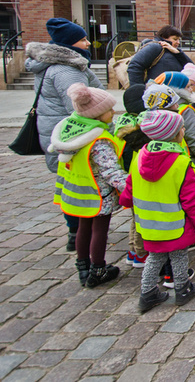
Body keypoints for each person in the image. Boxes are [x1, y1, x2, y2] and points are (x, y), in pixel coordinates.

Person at [25, 18, 104, 251]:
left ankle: (75, 232)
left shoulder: (53, 66)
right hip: (74, 136)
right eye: (82, 39)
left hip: (57, 131)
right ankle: (78, 233)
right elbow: (80, 108)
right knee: (77, 184)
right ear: (69, 44)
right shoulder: (67, 70)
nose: (88, 43)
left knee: (67, 183)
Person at [120, 110, 195, 312]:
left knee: (155, 256)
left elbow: (130, 186)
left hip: (148, 222)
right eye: (181, 128)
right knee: (178, 256)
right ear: (176, 134)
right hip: (174, 223)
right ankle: (182, 288)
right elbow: (190, 197)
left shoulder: (140, 156)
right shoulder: (181, 162)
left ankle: (147, 293)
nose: (184, 130)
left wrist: (125, 200)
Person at [49, 83, 127, 288]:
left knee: (83, 228)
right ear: (96, 114)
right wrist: (130, 186)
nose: (113, 112)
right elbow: (111, 172)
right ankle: (98, 269)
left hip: (77, 192)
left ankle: (82, 267)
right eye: (109, 109)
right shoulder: (98, 141)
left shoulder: (72, 131)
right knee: (100, 230)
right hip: (97, 193)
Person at [113, 84, 151, 269]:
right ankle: (141, 253)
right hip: (138, 176)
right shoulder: (140, 130)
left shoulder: (123, 122)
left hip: (128, 176)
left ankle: (132, 250)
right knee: (140, 218)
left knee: (135, 216)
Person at [153, 71, 195, 175]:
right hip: (185, 161)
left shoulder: (154, 109)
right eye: (187, 87)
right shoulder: (185, 110)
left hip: (161, 163)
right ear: (178, 89)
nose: (190, 90)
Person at [126, 25, 192, 85]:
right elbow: (134, 66)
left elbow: (191, 67)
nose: (178, 42)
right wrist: (139, 91)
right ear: (164, 37)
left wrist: (178, 53)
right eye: (175, 39)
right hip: (155, 93)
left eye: (179, 40)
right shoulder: (155, 47)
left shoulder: (174, 51)